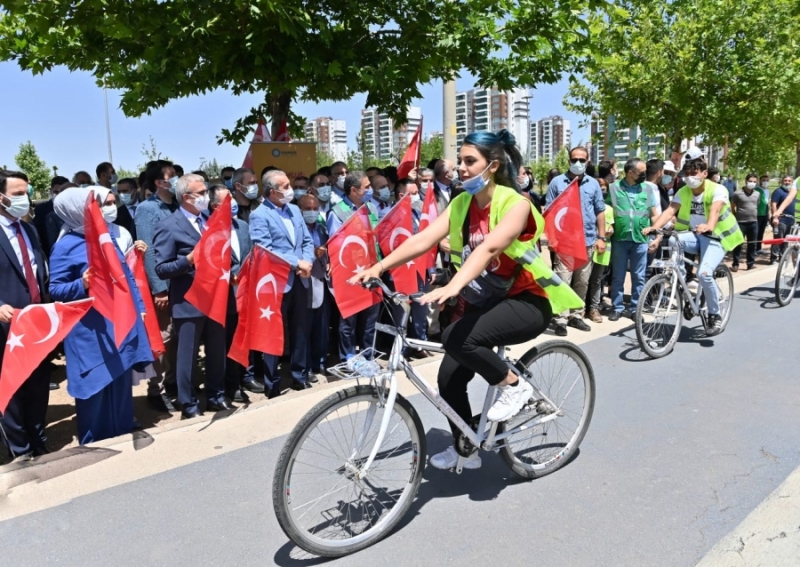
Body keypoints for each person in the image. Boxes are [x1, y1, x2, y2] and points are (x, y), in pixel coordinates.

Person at [351, 130, 581, 471]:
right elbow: (424, 239)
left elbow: (489, 248)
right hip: (484, 300)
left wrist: (454, 285)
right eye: (460, 160)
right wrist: (379, 266)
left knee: (458, 338)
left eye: (469, 161)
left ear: (493, 165)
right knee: (449, 380)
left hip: (526, 302)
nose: (461, 167)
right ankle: (466, 445)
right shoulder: (461, 203)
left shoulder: (516, 204)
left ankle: (514, 386)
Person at [49, 186, 153, 443]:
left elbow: (125, 278)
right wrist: (81, 284)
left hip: (118, 326)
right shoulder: (65, 246)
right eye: (97, 205)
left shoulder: (104, 238)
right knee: (94, 392)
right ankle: (96, 449)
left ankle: (119, 441)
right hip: (88, 333)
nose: (104, 209)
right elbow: (55, 290)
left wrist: (139, 308)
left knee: (119, 391)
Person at [152, 174, 231, 418]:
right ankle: (189, 404)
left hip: (215, 298)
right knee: (187, 356)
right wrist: (187, 261)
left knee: (217, 352)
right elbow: (161, 268)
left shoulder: (209, 220)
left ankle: (216, 396)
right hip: (188, 302)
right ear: (187, 197)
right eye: (202, 192)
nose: (207, 196)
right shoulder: (168, 226)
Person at [644, 149, 743, 336]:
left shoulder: (718, 190)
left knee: (705, 274)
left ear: (705, 174)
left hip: (717, 237)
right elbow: (669, 212)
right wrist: (654, 228)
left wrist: (709, 226)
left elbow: (714, 211)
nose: (690, 177)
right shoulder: (684, 191)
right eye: (687, 174)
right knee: (674, 241)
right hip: (695, 235)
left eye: (694, 173)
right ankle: (679, 282)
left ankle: (714, 315)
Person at [0, 171, 51, 461]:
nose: (25, 199)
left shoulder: (29, 229)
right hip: (5, 326)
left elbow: (39, 271)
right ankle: (19, 450)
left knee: (37, 385)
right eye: (18, 194)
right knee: (11, 389)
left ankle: (38, 440)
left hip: (36, 322)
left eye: (26, 192)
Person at [250, 170, 315, 396]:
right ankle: (272, 382)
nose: (290, 190)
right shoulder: (259, 215)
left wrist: (307, 262)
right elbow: (264, 249)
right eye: (285, 186)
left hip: (300, 279)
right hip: (276, 282)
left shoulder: (295, 210)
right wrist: (297, 263)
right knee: (273, 332)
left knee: (300, 329)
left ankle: (299, 376)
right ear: (272, 192)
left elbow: (307, 240)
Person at [545, 146, 607, 335]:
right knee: (562, 280)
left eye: (582, 160)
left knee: (582, 281)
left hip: (587, 240)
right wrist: (552, 238)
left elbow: (600, 210)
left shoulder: (593, 184)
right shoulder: (557, 183)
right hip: (564, 242)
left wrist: (601, 237)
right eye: (574, 160)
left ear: (588, 161)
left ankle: (576, 316)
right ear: (569, 161)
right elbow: (549, 211)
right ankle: (560, 319)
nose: (578, 163)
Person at [134, 160, 180, 412]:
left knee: (177, 336)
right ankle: (157, 388)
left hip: (181, 281)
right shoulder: (147, 209)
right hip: (163, 284)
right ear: (158, 182)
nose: (176, 179)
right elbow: (148, 250)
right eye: (171, 176)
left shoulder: (177, 205)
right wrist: (158, 288)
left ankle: (174, 382)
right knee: (162, 338)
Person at [206, 184, 254, 403]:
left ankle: (236, 384)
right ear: (215, 205)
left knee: (238, 339)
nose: (233, 203)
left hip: (243, 294)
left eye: (233, 198)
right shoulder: (207, 228)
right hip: (219, 297)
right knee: (220, 346)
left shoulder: (242, 226)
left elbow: (251, 255)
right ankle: (219, 388)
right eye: (227, 200)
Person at [327, 171, 382, 361]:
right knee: (349, 320)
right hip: (349, 274)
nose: (371, 190)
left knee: (369, 320)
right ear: (353, 190)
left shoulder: (371, 208)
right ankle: (348, 358)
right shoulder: (337, 212)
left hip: (371, 270)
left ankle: (368, 356)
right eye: (366, 187)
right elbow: (336, 245)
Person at [606, 158, 661, 321]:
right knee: (618, 275)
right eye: (642, 172)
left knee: (639, 276)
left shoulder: (648, 189)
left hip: (641, 239)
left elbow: (654, 215)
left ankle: (636, 309)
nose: (645, 174)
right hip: (619, 239)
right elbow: (606, 210)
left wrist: (657, 236)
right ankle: (617, 307)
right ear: (630, 173)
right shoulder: (613, 188)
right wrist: (608, 225)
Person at [298, 194, 328, 379]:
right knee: (304, 329)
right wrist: (313, 254)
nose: (312, 212)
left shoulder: (322, 229)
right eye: (308, 209)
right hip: (304, 283)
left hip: (321, 281)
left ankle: (320, 362)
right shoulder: (298, 229)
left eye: (315, 208)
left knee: (321, 328)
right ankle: (306, 366)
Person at [730, 174, 760, 271]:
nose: (752, 183)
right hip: (740, 222)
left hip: (753, 222)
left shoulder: (757, 194)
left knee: (752, 244)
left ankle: (750, 264)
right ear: (746, 181)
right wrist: (735, 216)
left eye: (755, 182)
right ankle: (735, 264)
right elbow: (732, 206)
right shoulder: (737, 194)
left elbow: (756, 205)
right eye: (751, 181)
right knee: (738, 243)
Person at [32, 175, 68, 256]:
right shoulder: (41, 209)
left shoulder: (73, 209)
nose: (59, 195)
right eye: (56, 192)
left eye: (62, 192)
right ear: (51, 191)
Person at [769, 175, 797, 264]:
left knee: (786, 240)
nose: (787, 182)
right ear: (782, 181)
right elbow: (773, 205)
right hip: (781, 220)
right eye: (785, 180)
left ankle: (782, 257)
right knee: (778, 239)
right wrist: (775, 217)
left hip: (791, 220)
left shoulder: (794, 192)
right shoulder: (778, 192)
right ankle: (773, 258)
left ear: (792, 182)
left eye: (789, 181)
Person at [756, 175, 771, 255]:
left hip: (765, 214)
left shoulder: (768, 191)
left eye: (767, 180)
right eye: (763, 180)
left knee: (761, 232)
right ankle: (753, 248)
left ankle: (758, 248)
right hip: (757, 214)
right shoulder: (756, 190)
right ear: (760, 181)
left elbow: (767, 202)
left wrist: (769, 214)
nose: (765, 182)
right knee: (756, 232)